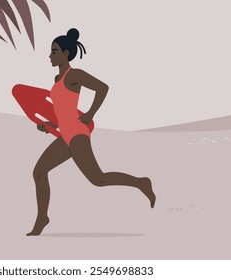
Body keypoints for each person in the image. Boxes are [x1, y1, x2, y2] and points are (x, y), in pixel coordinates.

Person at [27, 28, 156, 236]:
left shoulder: (74, 75)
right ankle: (43, 217)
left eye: (54, 51)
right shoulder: (56, 79)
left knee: (98, 179)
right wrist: (49, 124)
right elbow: (63, 112)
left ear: (65, 54)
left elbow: (102, 88)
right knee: (39, 172)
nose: (50, 56)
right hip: (64, 135)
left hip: (77, 135)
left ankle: (141, 182)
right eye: (50, 51)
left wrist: (90, 113)